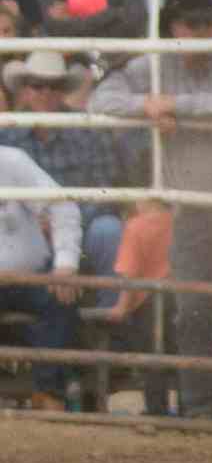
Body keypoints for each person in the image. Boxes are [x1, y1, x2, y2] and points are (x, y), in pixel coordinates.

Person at [87, 0, 212, 421]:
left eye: (208, 23)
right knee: (192, 311)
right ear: (175, 27)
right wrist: (147, 107)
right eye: (194, 23)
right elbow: (103, 98)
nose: (203, 31)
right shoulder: (154, 66)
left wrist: (174, 106)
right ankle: (200, 407)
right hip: (192, 206)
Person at [0, 51, 128, 320]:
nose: (46, 92)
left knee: (108, 230)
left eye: (54, 85)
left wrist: (61, 219)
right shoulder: (6, 133)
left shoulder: (90, 129)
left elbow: (106, 193)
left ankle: (109, 320)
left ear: (63, 92)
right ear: (24, 91)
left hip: (78, 223)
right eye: (37, 85)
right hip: (24, 231)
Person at [0, 137, 81, 411]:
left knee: (60, 297)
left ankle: (49, 394)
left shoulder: (10, 160)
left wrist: (65, 265)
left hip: (29, 275)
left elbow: (62, 205)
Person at [78, 196, 174, 417]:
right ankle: (189, 407)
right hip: (173, 295)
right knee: (175, 353)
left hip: (144, 300)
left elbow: (129, 273)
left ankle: (156, 409)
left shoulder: (135, 226)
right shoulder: (174, 222)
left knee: (152, 357)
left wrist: (121, 306)